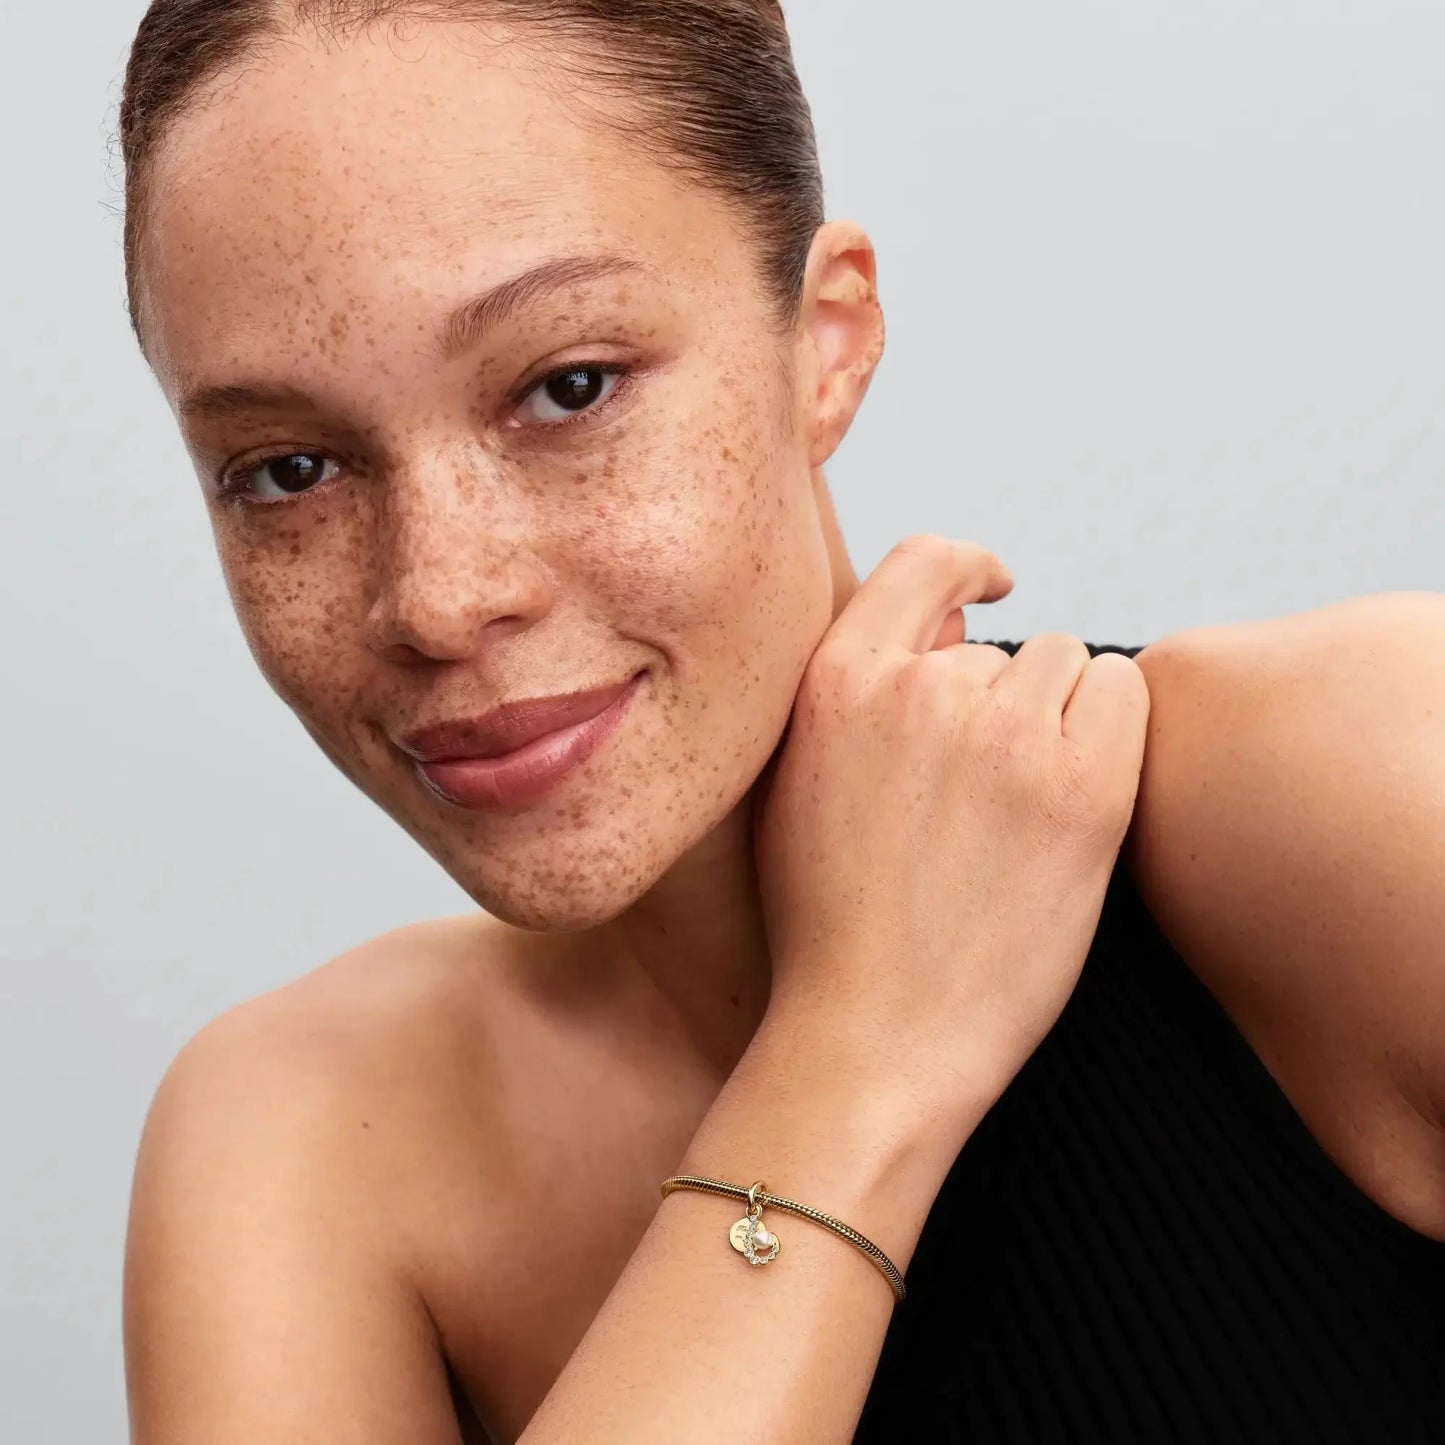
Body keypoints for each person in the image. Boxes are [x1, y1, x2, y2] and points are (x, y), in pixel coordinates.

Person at [117, 3, 1445, 1442]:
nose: (437, 597)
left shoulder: (1358, 788)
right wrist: (857, 1053)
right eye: (287, 468)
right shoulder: (305, 1144)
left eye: (569, 387)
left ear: (826, 342)